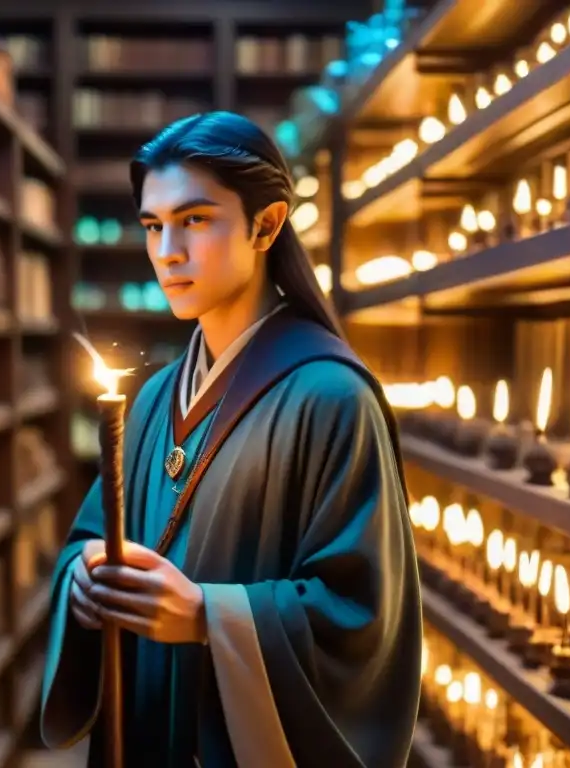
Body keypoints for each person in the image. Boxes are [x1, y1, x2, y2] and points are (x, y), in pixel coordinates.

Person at [40, 111, 421, 767]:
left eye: (194, 220)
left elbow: (361, 619)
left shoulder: (331, 398)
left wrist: (206, 617)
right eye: (153, 227)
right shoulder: (157, 396)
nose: (167, 252)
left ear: (266, 225)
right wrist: (82, 580)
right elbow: (91, 536)